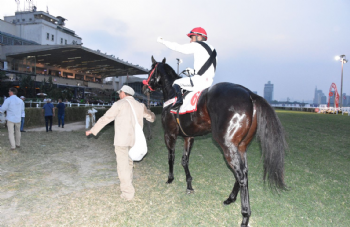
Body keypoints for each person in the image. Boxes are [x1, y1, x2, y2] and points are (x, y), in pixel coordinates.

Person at [86, 85, 156, 200]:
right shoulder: (140, 105)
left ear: (124, 93)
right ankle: (128, 185)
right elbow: (151, 118)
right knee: (128, 165)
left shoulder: (118, 104)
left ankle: (127, 193)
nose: (119, 95)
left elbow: (105, 118)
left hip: (122, 141)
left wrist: (93, 130)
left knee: (123, 167)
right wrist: (151, 113)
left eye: (120, 92)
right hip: (135, 141)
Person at [157, 27, 217, 109]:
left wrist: (163, 41)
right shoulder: (213, 49)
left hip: (199, 82)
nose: (190, 41)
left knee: (176, 83)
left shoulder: (197, 45)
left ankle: (178, 104)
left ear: (198, 37)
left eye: (192, 37)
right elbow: (208, 69)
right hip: (209, 82)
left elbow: (178, 47)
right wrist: (193, 71)